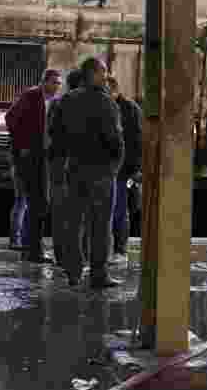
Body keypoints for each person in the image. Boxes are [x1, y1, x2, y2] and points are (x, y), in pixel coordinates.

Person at [49, 57, 123, 288]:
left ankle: (73, 272)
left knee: (73, 223)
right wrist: (114, 166)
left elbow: (55, 135)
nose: (106, 77)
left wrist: (62, 165)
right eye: (103, 72)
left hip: (75, 169)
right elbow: (115, 140)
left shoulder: (67, 100)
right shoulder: (106, 102)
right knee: (100, 226)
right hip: (101, 172)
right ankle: (98, 274)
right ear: (94, 74)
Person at [5, 69, 62, 263]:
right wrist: (22, 146)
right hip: (29, 159)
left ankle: (32, 248)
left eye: (58, 83)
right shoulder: (31, 96)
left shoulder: (54, 102)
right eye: (54, 82)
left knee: (39, 203)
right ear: (44, 82)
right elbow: (10, 118)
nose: (57, 86)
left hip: (44, 159)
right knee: (34, 201)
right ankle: (31, 249)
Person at [46, 68, 84, 266]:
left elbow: (51, 131)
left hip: (58, 163)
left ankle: (61, 255)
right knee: (78, 214)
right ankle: (75, 256)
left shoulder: (57, 103)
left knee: (59, 212)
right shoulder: (88, 104)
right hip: (77, 165)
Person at [108, 77, 143, 262]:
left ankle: (120, 250)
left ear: (114, 91)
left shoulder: (129, 109)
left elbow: (137, 143)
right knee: (114, 211)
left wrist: (135, 170)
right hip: (113, 169)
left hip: (123, 170)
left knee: (120, 211)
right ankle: (115, 250)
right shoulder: (116, 107)